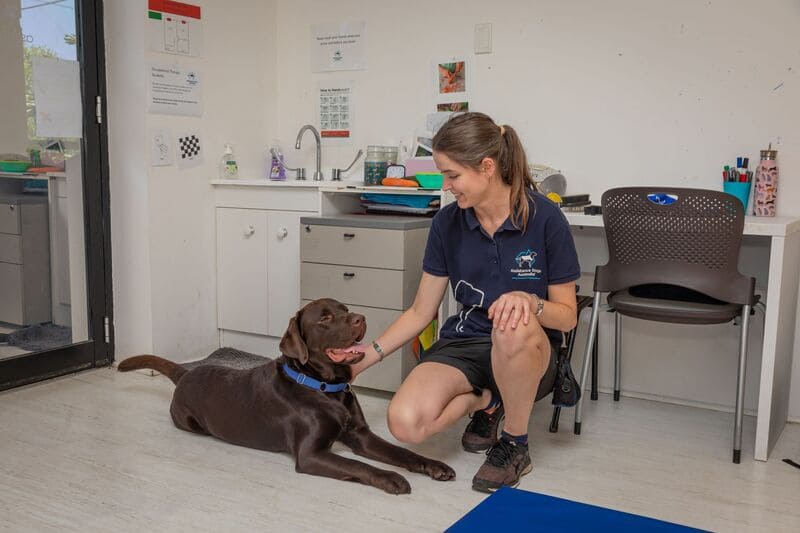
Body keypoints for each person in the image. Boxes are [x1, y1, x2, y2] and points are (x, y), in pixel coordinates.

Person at [350, 112, 580, 493]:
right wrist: (367, 357)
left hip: (528, 349)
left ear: (487, 167)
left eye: (452, 175)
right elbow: (421, 311)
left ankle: (514, 444)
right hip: (466, 344)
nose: (446, 185)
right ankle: (486, 401)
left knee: (513, 320)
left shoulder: (546, 219)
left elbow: (567, 317)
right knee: (405, 423)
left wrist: (529, 302)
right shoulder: (447, 223)